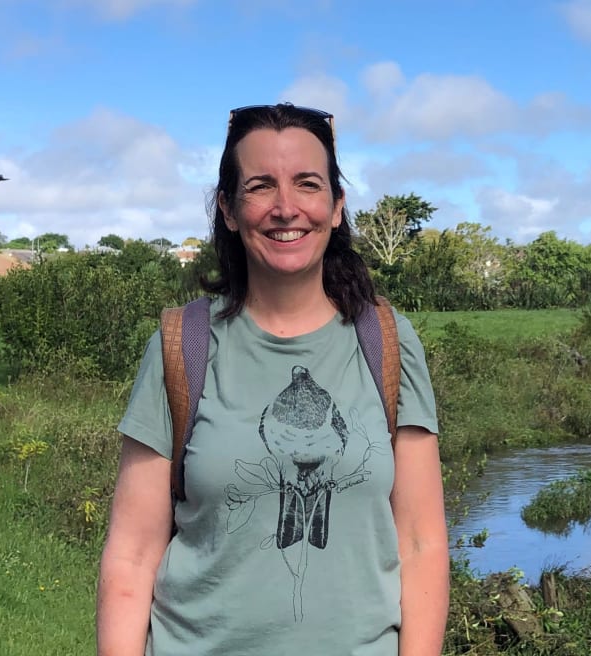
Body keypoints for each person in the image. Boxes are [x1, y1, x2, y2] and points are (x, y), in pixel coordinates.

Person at [96, 104, 449, 655]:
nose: (286, 209)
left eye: (307, 184)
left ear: (336, 207)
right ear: (230, 210)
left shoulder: (387, 341)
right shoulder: (181, 344)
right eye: (261, 186)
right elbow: (132, 555)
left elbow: (422, 544)